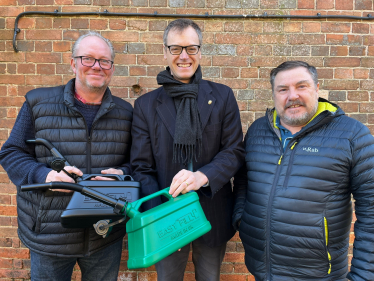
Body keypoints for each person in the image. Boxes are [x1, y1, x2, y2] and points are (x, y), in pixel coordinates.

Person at [0, 31, 133, 281]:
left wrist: (123, 175)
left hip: (104, 233)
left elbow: (137, 164)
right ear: (73, 63)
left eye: (104, 61)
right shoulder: (37, 103)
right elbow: (11, 152)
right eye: (88, 59)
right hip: (51, 235)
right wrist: (47, 175)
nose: (97, 66)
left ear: (112, 68)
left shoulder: (126, 113)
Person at [233, 60, 374, 281]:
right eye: (283, 89)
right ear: (274, 94)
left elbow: (371, 210)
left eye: (301, 86)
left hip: (320, 274)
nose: (292, 96)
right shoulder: (258, 130)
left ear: (317, 89)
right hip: (262, 269)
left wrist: (363, 276)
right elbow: (244, 180)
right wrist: (241, 218)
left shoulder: (353, 136)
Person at [130, 18, 244, 281]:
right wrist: (163, 215)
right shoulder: (146, 105)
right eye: (176, 49)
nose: (184, 56)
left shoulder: (223, 96)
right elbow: (141, 167)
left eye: (191, 48)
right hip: (165, 216)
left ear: (200, 52)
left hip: (213, 211)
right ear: (165, 52)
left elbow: (234, 151)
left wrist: (202, 176)